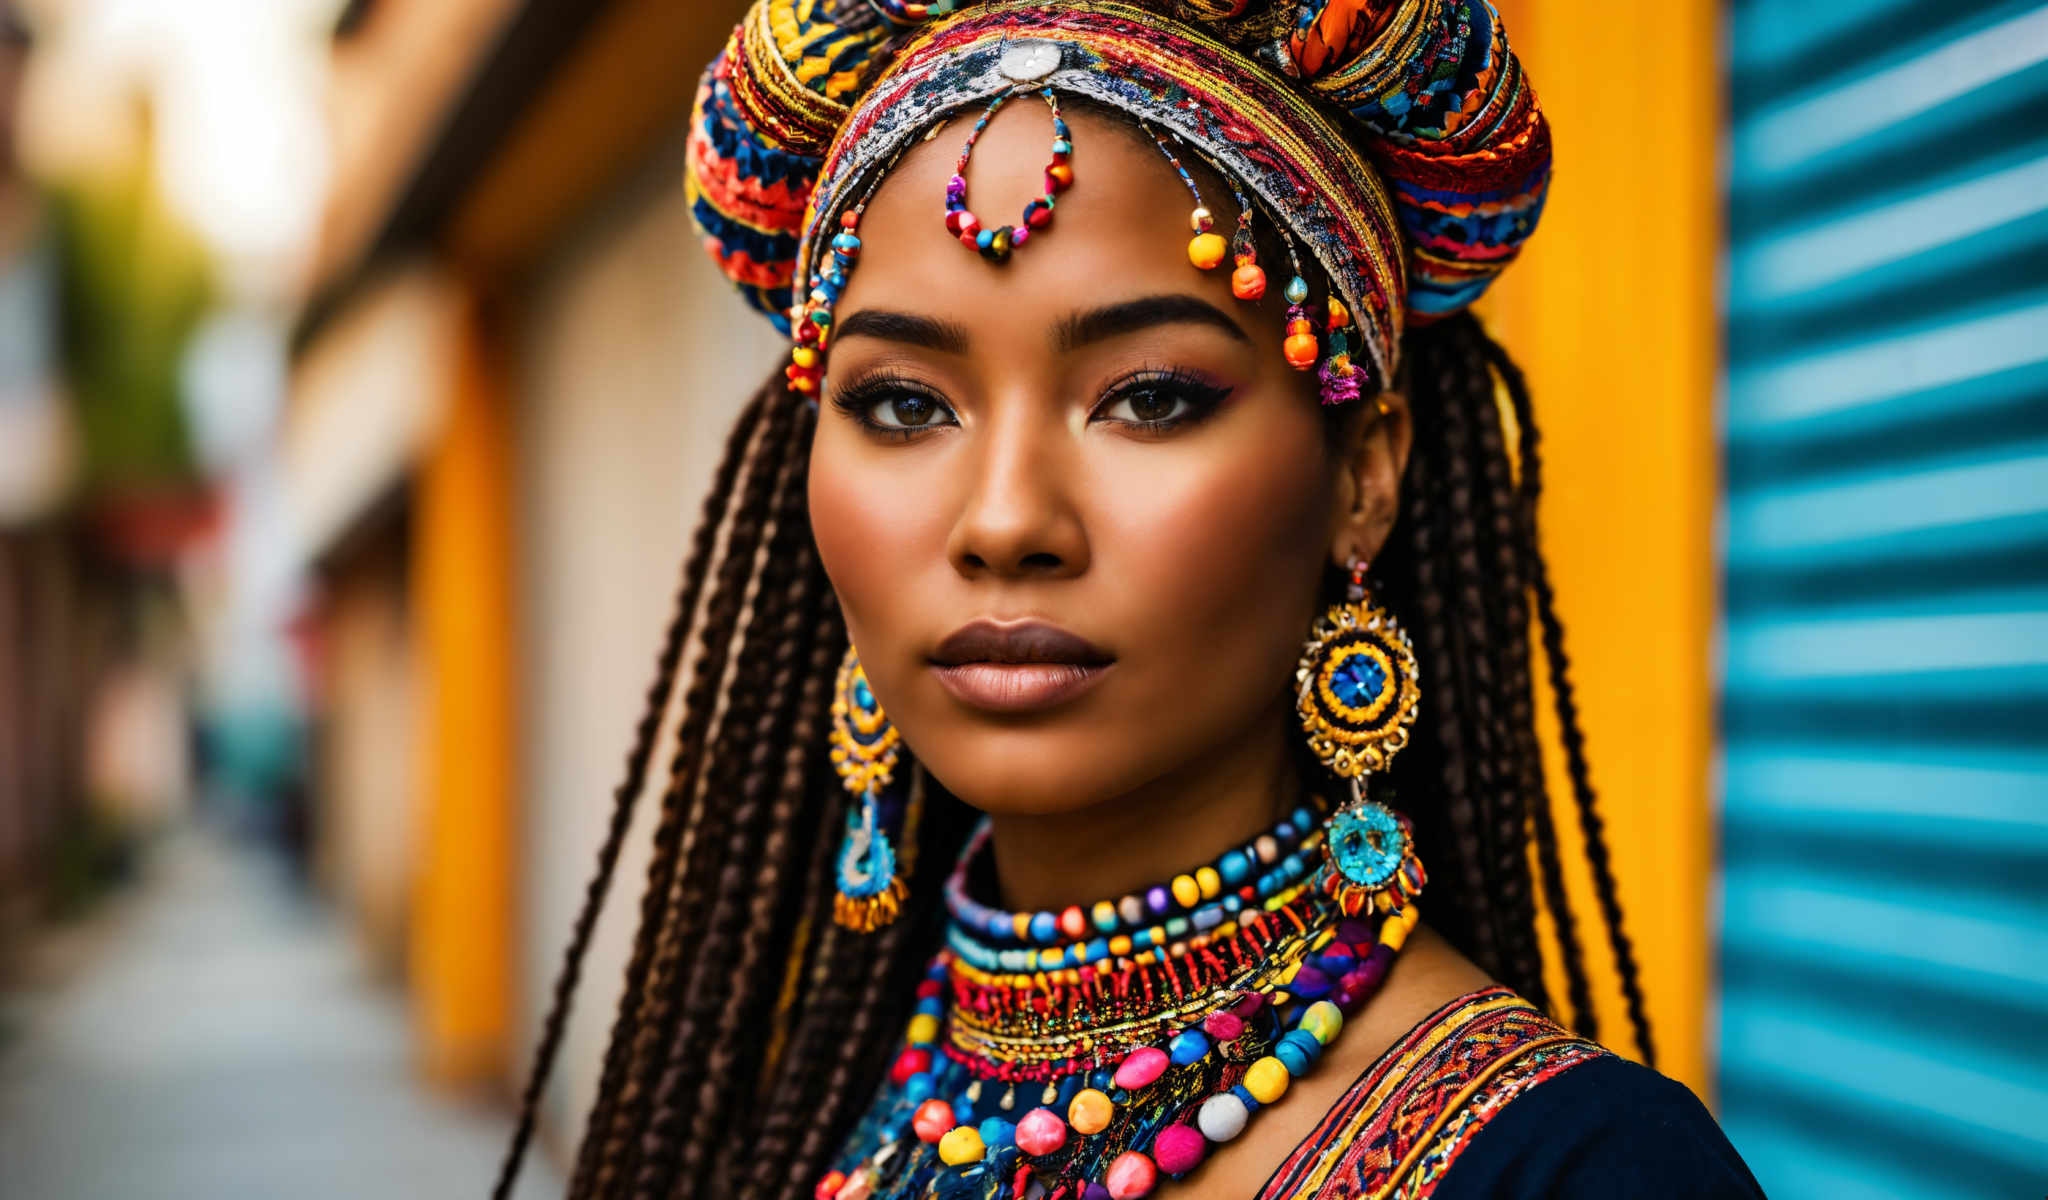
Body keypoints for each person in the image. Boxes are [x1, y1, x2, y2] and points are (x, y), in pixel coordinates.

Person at [495, 2, 1764, 1198]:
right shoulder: (793, 1107)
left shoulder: (1576, 1169)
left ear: (1361, 478)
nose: (1003, 523)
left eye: (1147, 397)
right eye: (901, 404)